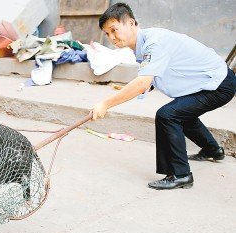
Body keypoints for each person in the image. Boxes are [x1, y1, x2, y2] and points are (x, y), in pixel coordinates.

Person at [91, 2, 236, 190]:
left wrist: (104, 104)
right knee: (182, 113)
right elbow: (151, 77)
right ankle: (213, 150)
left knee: (168, 115)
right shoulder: (141, 47)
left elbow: (142, 82)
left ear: (131, 23)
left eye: (114, 30)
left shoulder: (154, 41)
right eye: (107, 34)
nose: (111, 37)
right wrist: (147, 84)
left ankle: (181, 174)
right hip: (213, 81)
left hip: (219, 84)